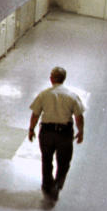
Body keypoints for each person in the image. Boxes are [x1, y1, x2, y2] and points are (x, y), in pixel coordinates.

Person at [28, 66, 85, 201]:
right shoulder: (72, 96)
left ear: (51, 79)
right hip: (64, 134)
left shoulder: (43, 94)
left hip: (46, 132)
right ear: (64, 79)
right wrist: (80, 131)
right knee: (64, 162)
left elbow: (35, 114)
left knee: (46, 160)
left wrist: (31, 129)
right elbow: (79, 117)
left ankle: (47, 185)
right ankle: (58, 184)